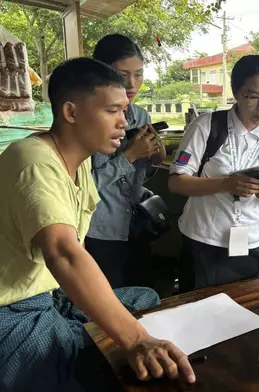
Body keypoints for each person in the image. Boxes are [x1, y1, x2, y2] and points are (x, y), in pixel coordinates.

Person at [0, 58, 194, 391]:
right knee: (77, 367)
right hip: (11, 309)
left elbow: (77, 243)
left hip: (52, 295)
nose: (124, 122)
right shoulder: (32, 162)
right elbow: (63, 251)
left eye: (124, 111)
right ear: (71, 112)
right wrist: (135, 340)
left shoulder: (79, 164)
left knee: (144, 297)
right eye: (111, 111)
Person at [168, 55, 259, 292]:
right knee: (201, 314)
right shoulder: (207, 126)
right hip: (205, 242)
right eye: (253, 97)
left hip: (254, 243)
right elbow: (176, 182)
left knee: (253, 313)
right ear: (236, 92)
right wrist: (226, 184)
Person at [85, 34, 166, 289]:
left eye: (139, 74)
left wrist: (154, 156)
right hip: (100, 231)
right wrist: (130, 155)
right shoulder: (84, 119)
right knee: (104, 309)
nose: (132, 84)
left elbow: (139, 176)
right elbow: (84, 189)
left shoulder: (140, 114)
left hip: (136, 225)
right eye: (122, 75)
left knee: (141, 299)